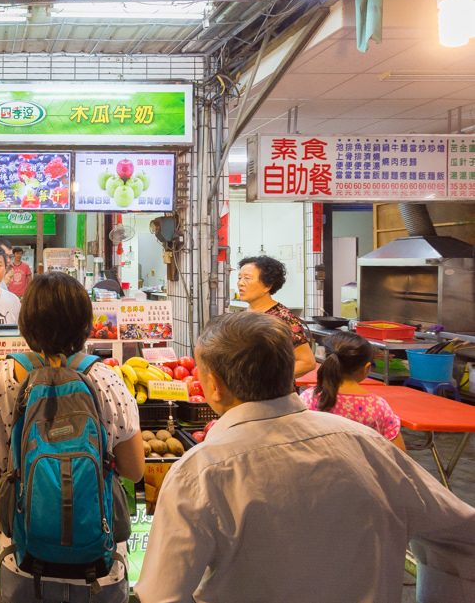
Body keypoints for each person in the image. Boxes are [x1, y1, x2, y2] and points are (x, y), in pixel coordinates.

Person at [135, 312, 475, 603]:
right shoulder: (369, 446)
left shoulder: (200, 474)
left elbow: (161, 595)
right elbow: (462, 535)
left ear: (213, 385)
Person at [0, 272, 144, 602]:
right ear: (84, 322)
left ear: (27, 321)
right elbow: (134, 471)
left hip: (22, 558)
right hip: (99, 560)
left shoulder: (1, 376)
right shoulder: (105, 378)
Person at [300, 331, 406, 451]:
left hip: (318, 468)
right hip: (365, 469)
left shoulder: (309, 398)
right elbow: (400, 454)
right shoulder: (378, 406)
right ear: (366, 368)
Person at [236, 255, 316, 376]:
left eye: (247, 278)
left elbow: (307, 362)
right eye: (239, 278)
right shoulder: (240, 316)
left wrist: (268, 379)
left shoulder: (283, 319)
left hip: (273, 393)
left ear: (267, 285)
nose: (240, 283)